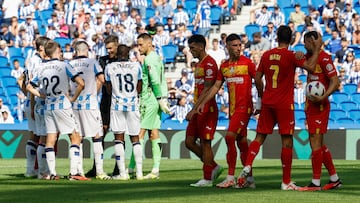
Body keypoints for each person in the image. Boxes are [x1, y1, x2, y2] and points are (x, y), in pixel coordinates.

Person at [237, 26, 322, 190]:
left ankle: (248, 165)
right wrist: (317, 48)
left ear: (276, 38)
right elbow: (311, 67)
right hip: (284, 104)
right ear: (291, 40)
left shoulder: (267, 55)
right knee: (287, 141)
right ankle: (286, 182)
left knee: (259, 137)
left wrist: (261, 97)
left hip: (268, 101)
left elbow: (257, 77)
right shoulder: (291, 56)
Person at [193, 33, 256, 188]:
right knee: (241, 143)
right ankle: (250, 180)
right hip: (233, 110)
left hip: (245, 108)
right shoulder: (225, 66)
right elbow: (215, 86)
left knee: (229, 137)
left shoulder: (248, 63)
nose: (238, 48)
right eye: (234, 45)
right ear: (227, 46)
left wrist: (260, 102)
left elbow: (259, 81)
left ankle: (230, 177)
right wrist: (203, 103)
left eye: (239, 45)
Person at [26, 41, 85, 180]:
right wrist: (72, 98)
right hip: (62, 104)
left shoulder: (41, 68)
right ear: (57, 52)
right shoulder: (64, 65)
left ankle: (51, 173)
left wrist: (42, 95)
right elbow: (81, 83)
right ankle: (74, 173)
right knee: (75, 137)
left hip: (48, 106)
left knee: (50, 140)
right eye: (60, 51)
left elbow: (29, 87)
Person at [298, 31, 342, 191]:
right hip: (311, 106)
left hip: (320, 106)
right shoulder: (308, 57)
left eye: (306, 42)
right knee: (318, 144)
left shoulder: (324, 58)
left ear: (312, 41)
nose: (304, 45)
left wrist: (324, 96)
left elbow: (335, 81)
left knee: (316, 144)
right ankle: (334, 179)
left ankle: (315, 183)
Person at [185, 34, 223, 187]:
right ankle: (213, 166)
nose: (191, 50)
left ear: (201, 46)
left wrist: (194, 109)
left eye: (192, 47)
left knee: (205, 142)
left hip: (207, 108)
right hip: (197, 108)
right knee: (189, 142)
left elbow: (208, 89)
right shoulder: (200, 64)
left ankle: (207, 177)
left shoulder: (209, 64)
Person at [69, 41, 110, 180]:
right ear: (87, 50)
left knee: (77, 137)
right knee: (97, 136)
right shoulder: (93, 63)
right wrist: (94, 91)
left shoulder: (69, 64)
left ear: (76, 51)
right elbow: (102, 79)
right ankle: (100, 172)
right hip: (90, 104)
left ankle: (78, 171)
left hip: (75, 105)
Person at [133, 33, 169, 179]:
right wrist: (162, 98)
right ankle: (155, 169)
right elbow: (161, 79)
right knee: (154, 133)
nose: (138, 47)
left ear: (149, 44)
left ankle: (132, 168)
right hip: (157, 98)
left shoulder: (148, 59)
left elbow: (154, 80)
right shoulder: (157, 58)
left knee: (139, 133)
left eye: (141, 44)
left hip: (150, 98)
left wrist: (159, 98)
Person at [104, 44, 143, 180]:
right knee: (135, 138)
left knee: (118, 138)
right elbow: (140, 86)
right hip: (132, 105)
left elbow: (108, 90)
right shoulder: (136, 66)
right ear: (128, 54)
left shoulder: (109, 67)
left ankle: (122, 173)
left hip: (117, 106)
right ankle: (139, 173)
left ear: (117, 54)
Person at [86, 35, 119, 177]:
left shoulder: (122, 61)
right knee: (101, 133)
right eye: (107, 48)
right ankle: (96, 167)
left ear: (117, 45)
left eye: (111, 48)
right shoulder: (102, 60)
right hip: (105, 100)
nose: (109, 51)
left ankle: (119, 168)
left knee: (119, 134)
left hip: (118, 101)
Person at [17, 36, 49, 178]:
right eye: (47, 46)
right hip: (36, 102)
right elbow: (32, 85)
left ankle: (31, 170)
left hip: (31, 102)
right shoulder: (38, 62)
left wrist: (26, 97)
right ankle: (42, 171)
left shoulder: (31, 60)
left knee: (34, 135)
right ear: (41, 47)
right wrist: (32, 102)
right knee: (42, 136)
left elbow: (20, 80)